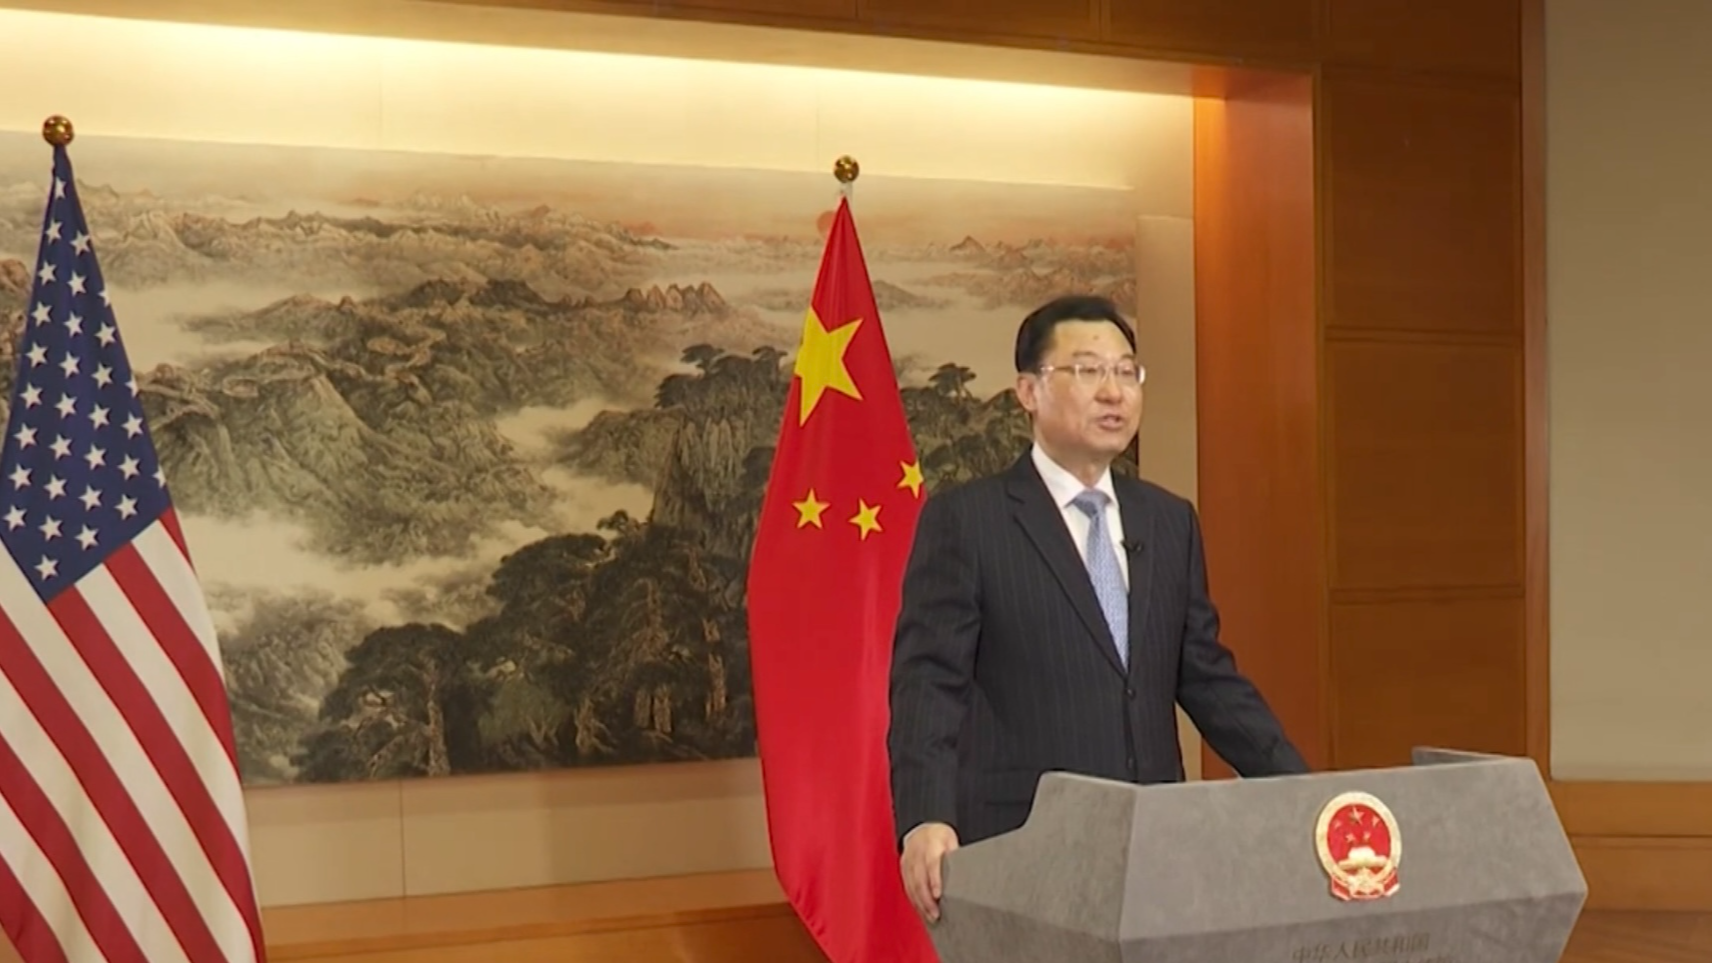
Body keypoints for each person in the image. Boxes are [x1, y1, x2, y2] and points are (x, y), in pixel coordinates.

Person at [886, 293, 1309, 922]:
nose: (1113, 392)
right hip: (1024, 846)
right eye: (1088, 371)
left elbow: (1207, 676)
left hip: (1158, 851)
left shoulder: (1168, 522)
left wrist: (1304, 791)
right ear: (1028, 391)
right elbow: (929, 684)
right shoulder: (968, 522)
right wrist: (925, 817)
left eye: (1125, 372)